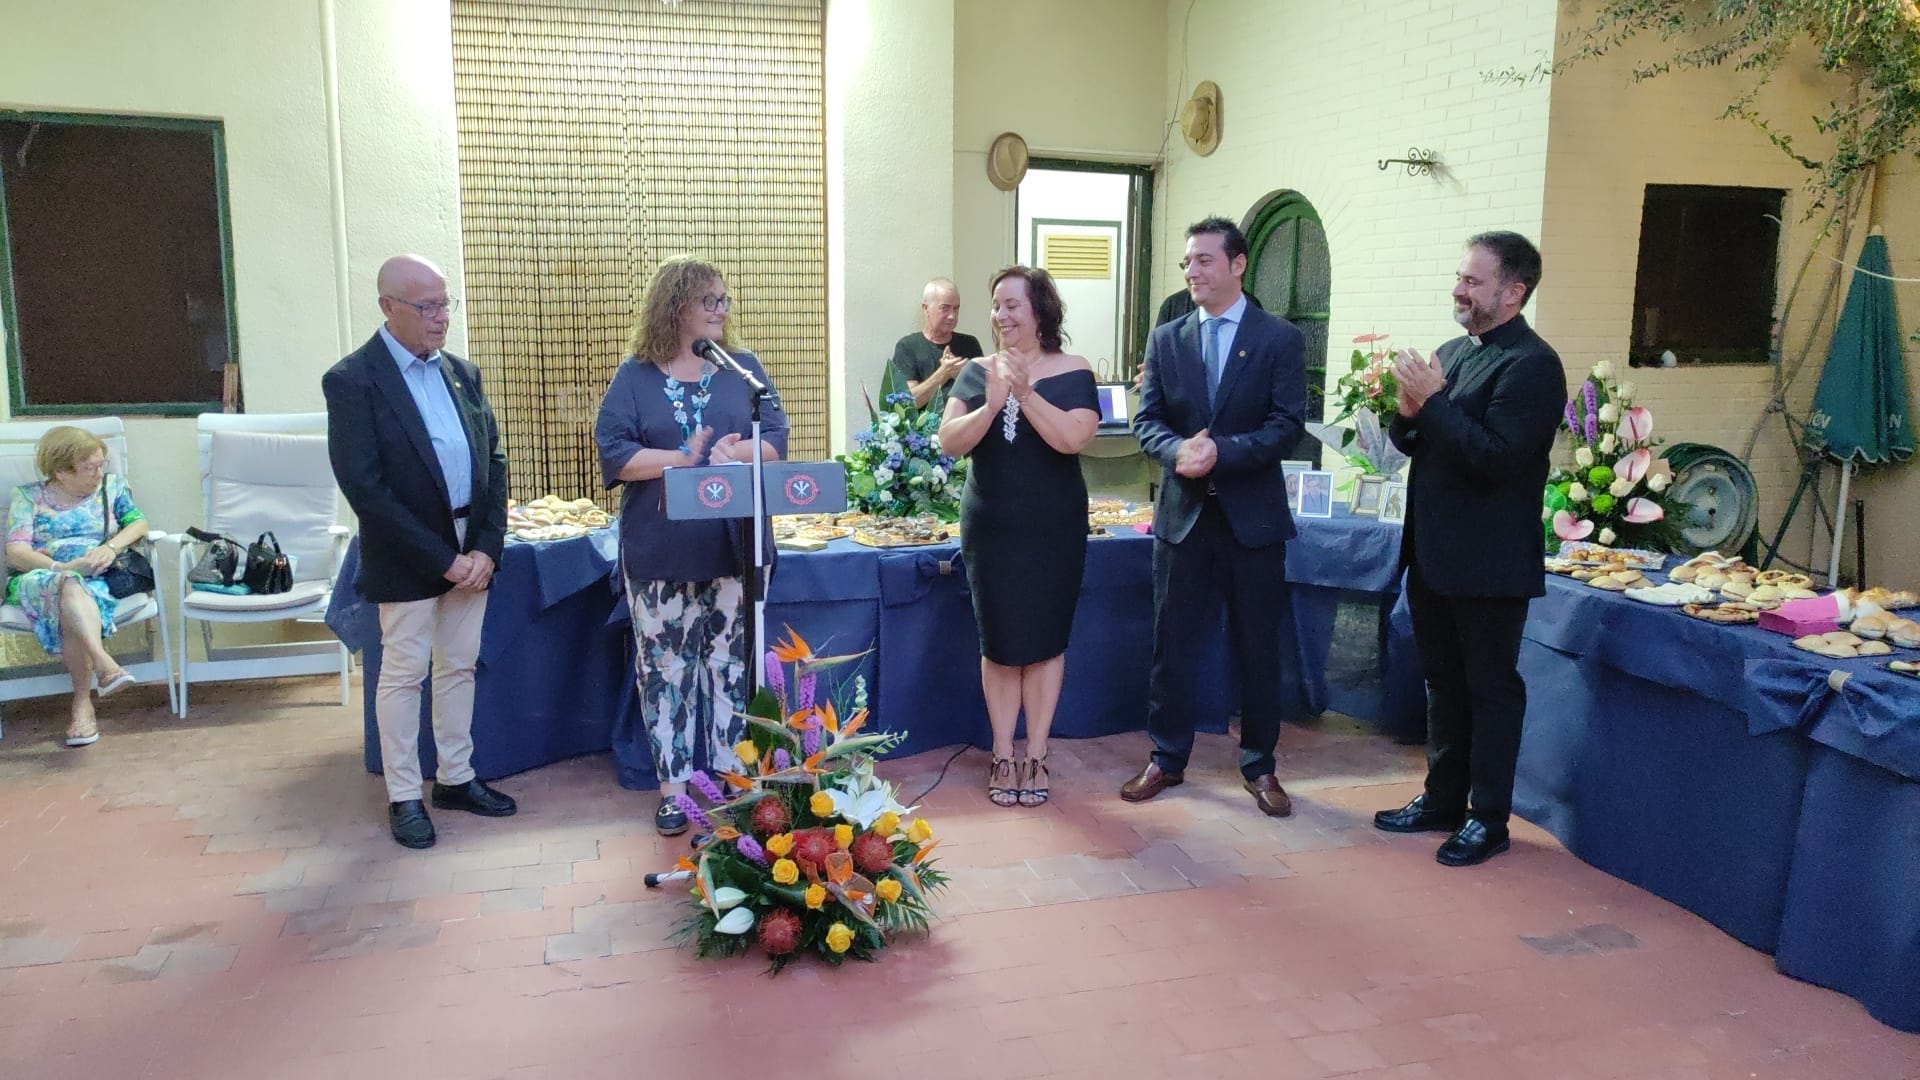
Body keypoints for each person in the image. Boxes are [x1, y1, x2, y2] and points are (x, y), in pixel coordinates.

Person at [1373, 231, 1565, 867]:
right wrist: (1407, 412)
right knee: (1442, 684)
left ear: (1514, 292)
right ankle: (1441, 798)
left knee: (1488, 690)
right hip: (1432, 553)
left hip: (1488, 563)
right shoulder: (1453, 351)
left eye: (1473, 281)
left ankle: (1489, 818)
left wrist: (1432, 402)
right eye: (1459, 277)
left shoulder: (1533, 366)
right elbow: (1416, 443)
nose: (1458, 289)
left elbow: (1496, 461)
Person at [323, 254, 517, 850]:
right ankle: (405, 795)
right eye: (426, 307)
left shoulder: (462, 372)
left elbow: (495, 461)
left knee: (459, 665)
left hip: (470, 549)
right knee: (405, 675)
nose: (441, 319)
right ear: (388, 307)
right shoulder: (353, 380)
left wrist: (484, 545)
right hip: (410, 554)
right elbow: (365, 488)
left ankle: (456, 778)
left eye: (444, 304)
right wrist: (442, 558)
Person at [596, 256, 788, 837]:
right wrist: (680, 460)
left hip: (735, 548)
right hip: (659, 553)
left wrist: (741, 454)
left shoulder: (744, 372)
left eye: (724, 300)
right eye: (709, 301)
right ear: (675, 306)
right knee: (666, 671)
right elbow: (615, 453)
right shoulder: (635, 376)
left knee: (732, 668)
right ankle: (675, 791)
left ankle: (732, 787)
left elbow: (776, 440)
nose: (721, 311)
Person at [1123, 217, 1307, 817]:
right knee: (1172, 646)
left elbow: (1287, 426)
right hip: (1183, 521)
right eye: (1187, 263)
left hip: (1253, 523)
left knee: (1258, 648)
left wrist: (1221, 452)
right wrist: (1176, 450)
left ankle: (1260, 764)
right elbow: (1146, 419)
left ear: (1237, 265)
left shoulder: (1278, 338)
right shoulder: (1168, 337)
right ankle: (1165, 757)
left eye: (1203, 260)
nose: (1191, 272)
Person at [938, 266, 1098, 808]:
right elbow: (950, 442)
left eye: (1013, 305)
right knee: (1001, 644)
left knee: (1046, 642)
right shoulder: (976, 371)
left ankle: (1037, 751)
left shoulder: (1073, 370)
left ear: (1040, 311)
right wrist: (992, 401)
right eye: (997, 305)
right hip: (991, 527)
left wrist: (1025, 394)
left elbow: (1074, 438)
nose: (1002, 316)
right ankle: (1003, 753)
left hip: (1054, 528)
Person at [4, 427, 150, 747]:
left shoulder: (112, 487)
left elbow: (139, 524)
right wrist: (62, 567)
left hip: (96, 578)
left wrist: (111, 548)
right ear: (60, 473)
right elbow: (15, 550)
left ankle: (82, 707)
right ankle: (103, 665)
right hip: (40, 578)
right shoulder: (28, 497)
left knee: (73, 597)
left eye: (101, 465)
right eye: (90, 468)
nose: (99, 473)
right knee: (68, 585)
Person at [891, 277, 984, 412]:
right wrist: (944, 373)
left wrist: (964, 375)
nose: (952, 316)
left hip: (963, 428)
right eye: (944, 308)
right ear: (925, 308)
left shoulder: (970, 344)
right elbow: (907, 403)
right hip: (923, 432)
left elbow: (984, 397)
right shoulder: (908, 347)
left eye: (956, 309)